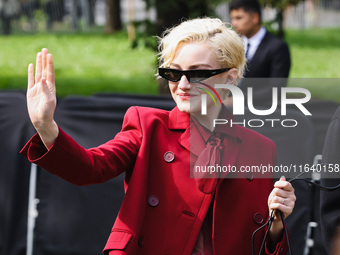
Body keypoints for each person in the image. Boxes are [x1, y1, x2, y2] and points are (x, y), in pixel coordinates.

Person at [20, 17, 295, 255]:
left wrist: (277, 220)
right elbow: (91, 168)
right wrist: (45, 125)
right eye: (173, 73)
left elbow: (260, 241)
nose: (183, 85)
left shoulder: (260, 148)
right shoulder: (147, 124)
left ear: (230, 77)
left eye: (198, 74)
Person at [229, 0, 291, 105]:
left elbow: (276, 89)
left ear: (255, 18)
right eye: (233, 18)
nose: (233, 23)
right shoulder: (233, 45)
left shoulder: (277, 47)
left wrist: (237, 101)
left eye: (239, 18)